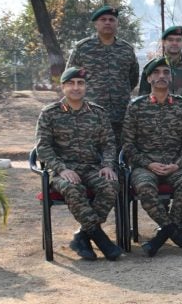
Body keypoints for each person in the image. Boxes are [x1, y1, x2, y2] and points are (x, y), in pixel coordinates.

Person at [35, 67, 122, 261]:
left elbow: (108, 143)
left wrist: (107, 165)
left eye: (80, 83)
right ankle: (100, 238)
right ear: (63, 87)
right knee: (73, 188)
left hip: (92, 168)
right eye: (71, 83)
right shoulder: (50, 114)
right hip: (63, 171)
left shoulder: (97, 113)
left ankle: (82, 236)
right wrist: (61, 169)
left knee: (111, 185)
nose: (76, 87)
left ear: (85, 87)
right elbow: (43, 148)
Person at [122, 58, 182, 257]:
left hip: (176, 166)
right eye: (156, 72)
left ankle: (162, 236)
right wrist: (148, 164)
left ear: (171, 77)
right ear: (149, 78)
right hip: (146, 167)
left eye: (166, 72)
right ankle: (178, 237)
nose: (161, 76)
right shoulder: (136, 107)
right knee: (144, 187)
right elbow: (128, 145)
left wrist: (177, 165)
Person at [66, 5, 139, 144]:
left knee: (119, 152)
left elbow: (133, 78)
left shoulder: (126, 49)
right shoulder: (83, 48)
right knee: (91, 153)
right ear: (96, 24)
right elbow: (69, 78)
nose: (107, 22)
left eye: (111, 19)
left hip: (121, 113)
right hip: (90, 113)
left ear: (117, 23)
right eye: (103, 19)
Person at [139, 25, 182, 138]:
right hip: (156, 127)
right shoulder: (150, 68)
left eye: (178, 40)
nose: (174, 43)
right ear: (164, 42)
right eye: (170, 40)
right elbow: (143, 98)